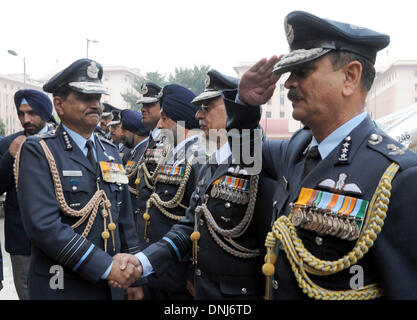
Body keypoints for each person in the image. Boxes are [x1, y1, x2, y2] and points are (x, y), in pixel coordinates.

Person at [223, 11, 417, 300]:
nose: (288, 83)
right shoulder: (298, 147)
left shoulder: (398, 175)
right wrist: (246, 107)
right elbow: (244, 156)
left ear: (350, 77)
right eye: (290, 73)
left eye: (303, 71)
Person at [111, 71, 276, 299]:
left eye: (207, 107)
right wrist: (142, 262)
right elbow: (190, 227)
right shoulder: (211, 161)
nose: (198, 114)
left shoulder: (257, 160)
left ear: (232, 108)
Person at [15, 58, 142, 299]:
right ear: (59, 105)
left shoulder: (110, 150)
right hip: (64, 284)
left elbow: (123, 215)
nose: (95, 104)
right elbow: (44, 227)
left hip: (112, 286)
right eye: (85, 97)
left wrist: (135, 274)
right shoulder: (39, 151)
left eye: (97, 98)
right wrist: (106, 267)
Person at [137, 83, 205, 300]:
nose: (159, 125)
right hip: (160, 268)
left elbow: (200, 223)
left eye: (165, 119)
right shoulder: (174, 154)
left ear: (181, 120)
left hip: (178, 276)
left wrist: (194, 273)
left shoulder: (199, 157)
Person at [0, 89, 55, 300]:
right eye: (21, 114)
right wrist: (9, 157)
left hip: (58, 238)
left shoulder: (59, 141)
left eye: (32, 113)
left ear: (44, 111)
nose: (26, 119)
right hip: (22, 242)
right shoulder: (7, 144)